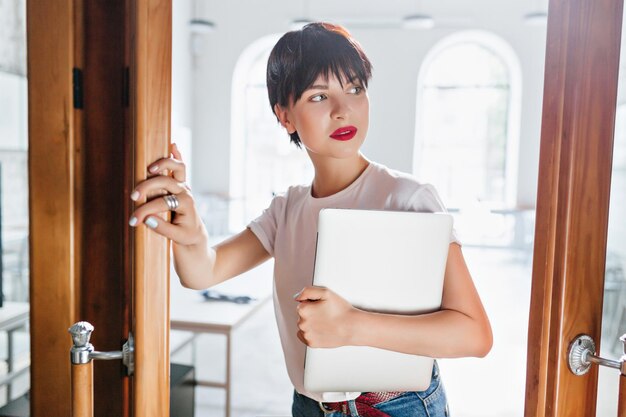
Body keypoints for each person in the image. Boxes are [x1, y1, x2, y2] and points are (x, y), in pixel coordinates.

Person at [129, 22, 492, 417]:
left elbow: (474, 333)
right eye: (319, 96)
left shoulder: (407, 199)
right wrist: (191, 232)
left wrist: (352, 325)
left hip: (397, 406)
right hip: (310, 405)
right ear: (285, 116)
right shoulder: (287, 209)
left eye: (355, 89)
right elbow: (204, 272)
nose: (343, 109)